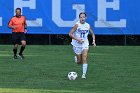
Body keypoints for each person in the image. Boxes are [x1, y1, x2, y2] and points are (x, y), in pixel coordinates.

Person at [69, 12, 96, 79]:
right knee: (79, 62)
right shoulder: (77, 25)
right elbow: (70, 34)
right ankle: (76, 59)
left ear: (86, 18)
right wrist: (77, 39)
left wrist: (94, 41)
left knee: (85, 58)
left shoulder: (87, 25)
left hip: (85, 43)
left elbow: (92, 34)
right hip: (76, 45)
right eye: (81, 17)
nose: (82, 18)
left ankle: (83, 75)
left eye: (83, 17)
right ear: (79, 18)